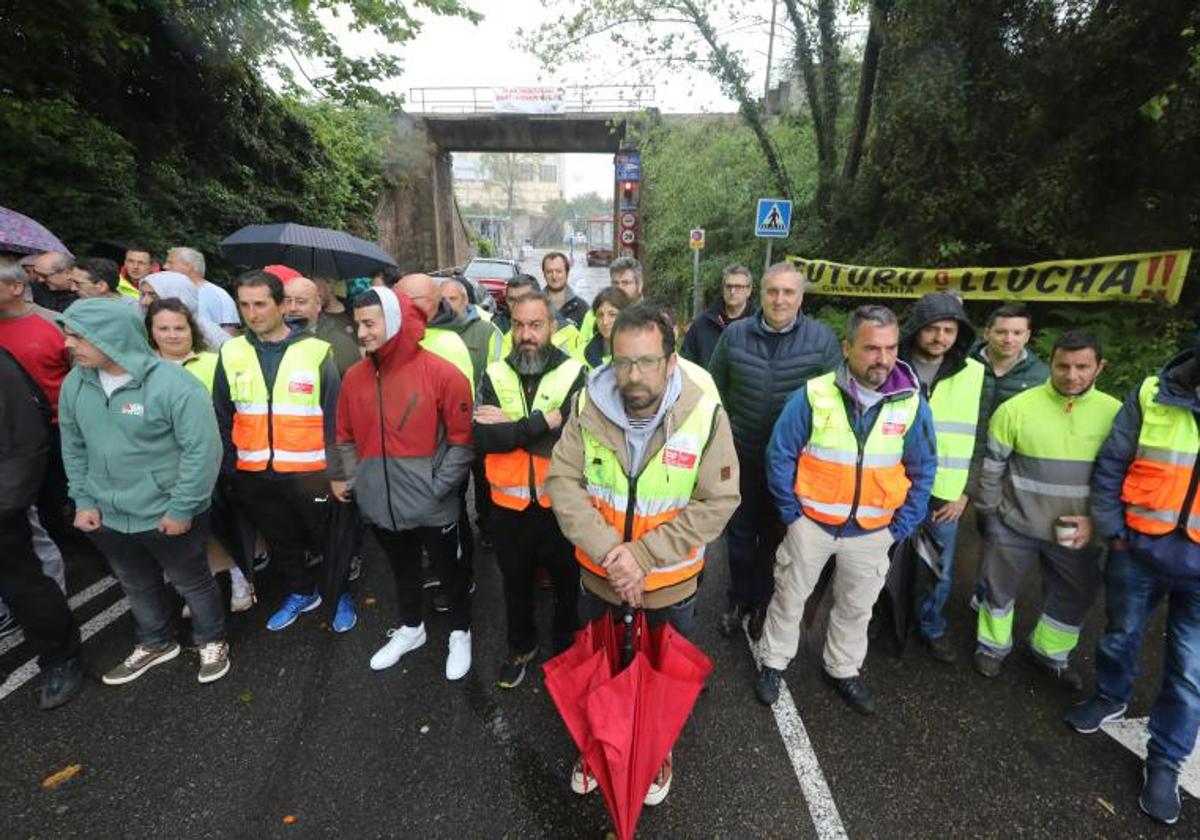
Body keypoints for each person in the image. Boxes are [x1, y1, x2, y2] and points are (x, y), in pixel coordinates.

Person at [546, 301, 740, 804]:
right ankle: (594, 743)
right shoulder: (585, 408)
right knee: (598, 670)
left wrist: (645, 556)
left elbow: (719, 500)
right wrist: (615, 553)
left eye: (647, 361)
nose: (634, 375)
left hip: (669, 586)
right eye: (623, 361)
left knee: (660, 681)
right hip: (598, 578)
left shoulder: (704, 414)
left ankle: (658, 750)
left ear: (671, 362)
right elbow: (562, 482)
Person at [755, 305, 935, 715]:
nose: (883, 359)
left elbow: (924, 469)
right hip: (811, 525)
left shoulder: (910, 404)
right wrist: (792, 515)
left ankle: (842, 669)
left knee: (857, 607)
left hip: (873, 532)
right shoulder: (814, 395)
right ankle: (773, 663)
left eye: (890, 348)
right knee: (789, 597)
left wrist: (899, 527)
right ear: (847, 347)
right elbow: (780, 455)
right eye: (872, 348)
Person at [1065, 332, 1200, 825]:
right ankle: (1109, 696)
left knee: (1189, 673)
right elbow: (1113, 463)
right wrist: (1115, 530)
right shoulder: (1151, 393)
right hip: (1138, 550)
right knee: (1120, 634)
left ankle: (1164, 762)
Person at [59, 298, 229, 685]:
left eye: (79, 337)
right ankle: (155, 641)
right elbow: (73, 444)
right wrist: (83, 499)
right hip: (108, 513)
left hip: (170, 510)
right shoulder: (76, 383)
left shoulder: (173, 384)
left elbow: (203, 450)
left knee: (192, 580)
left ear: (112, 336)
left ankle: (211, 638)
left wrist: (182, 508)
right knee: (134, 582)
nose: (69, 344)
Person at [331, 287, 475, 679]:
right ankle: (412, 628)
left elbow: (463, 442)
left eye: (369, 323)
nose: (361, 332)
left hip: (433, 504)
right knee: (403, 570)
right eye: (357, 323)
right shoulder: (355, 378)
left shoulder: (443, 374)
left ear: (393, 321)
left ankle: (461, 632)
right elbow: (344, 436)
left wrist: (435, 489)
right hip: (380, 503)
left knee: (451, 571)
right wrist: (362, 484)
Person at [972, 331, 1120, 687]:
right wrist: (989, 514)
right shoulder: (1017, 408)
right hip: (1016, 521)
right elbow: (992, 467)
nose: (1071, 375)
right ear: (1050, 363)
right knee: (998, 588)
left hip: (1074, 525)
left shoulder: (1115, 414)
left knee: (1075, 592)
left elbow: (1119, 475)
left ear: (1100, 367)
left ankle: (1049, 652)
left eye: (1082, 367)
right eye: (1063, 366)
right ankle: (991, 647)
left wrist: (1099, 523)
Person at [709, 263, 841, 640]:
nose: (780, 299)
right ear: (761, 294)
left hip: (793, 466)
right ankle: (737, 599)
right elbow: (713, 391)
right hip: (740, 456)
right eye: (773, 291)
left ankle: (763, 602)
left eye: (788, 292)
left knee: (775, 540)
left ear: (801, 297)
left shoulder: (821, 340)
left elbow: (835, 402)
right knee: (738, 535)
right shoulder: (734, 336)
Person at [212, 270, 346, 632]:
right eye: (244, 305)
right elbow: (222, 414)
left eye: (260, 304)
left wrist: (337, 473)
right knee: (282, 540)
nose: (252, 313)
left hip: (310, 472)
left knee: (326, 538)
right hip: (254, 472)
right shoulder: (231, 351)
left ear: (281, 305)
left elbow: (335, 419)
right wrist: (230, 468)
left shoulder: (316, 352)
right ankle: (302, 592)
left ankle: (339, 594)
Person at [474, 291, 587, 688]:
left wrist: (513, 427)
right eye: (519, 324)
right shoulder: (494, 373)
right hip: (508, 509)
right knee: (515, 585)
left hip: (562, 505)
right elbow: (483, 440)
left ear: (551, 327)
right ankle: (521, 647)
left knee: (567, 583)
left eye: (535, 325)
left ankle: (566, 647)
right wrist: (547, 421)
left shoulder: (575, 372)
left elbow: (578, 441)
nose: (526, 334)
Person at [146, 297, 254, 613]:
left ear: (192, 330)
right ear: (151, 331)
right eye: (163, 328)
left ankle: (239, 577)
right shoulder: (144, 369)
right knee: (185, 536)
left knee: (224, 525)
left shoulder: (212, 362)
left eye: (179, 327)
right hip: (165, 466)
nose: (172, 335)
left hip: (213, 462)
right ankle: (199, 587)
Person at [897, 292, 985, 663]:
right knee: (888, 563)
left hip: (946, 492)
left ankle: (930, 627)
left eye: (949, 330)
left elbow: (983, 435)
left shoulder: (975, 373)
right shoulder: (894, 366)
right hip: (896, 486)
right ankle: (886, 622)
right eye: (932, 329)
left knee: (940, 570)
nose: (940, 337)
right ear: (917, 329)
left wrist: (966, 492)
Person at [0, 346, 83, 709]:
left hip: (4, 511)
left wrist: (7, 503)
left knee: (27, 588)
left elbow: (26, 435)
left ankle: (60, 657)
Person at [0, 259, 73, 548]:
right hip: (11, 434)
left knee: (60, 494)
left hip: (58, 429)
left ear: (17, 287)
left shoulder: (53, 323)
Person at [972, 304, 1050, 468]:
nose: (1009, 339)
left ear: (1027, 336)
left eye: (1017, 333)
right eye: (1001, 332)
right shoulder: (963, 365)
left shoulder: (1042, 376)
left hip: (1012, 466)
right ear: (987, 333)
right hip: (963, 461)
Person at [277, 271, 361, 377]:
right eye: (288, 301)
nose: (293, 308)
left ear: (318, 305)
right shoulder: (271, 340)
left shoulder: (341, 345)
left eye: (301, 302)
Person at [681, 264, 756, 368]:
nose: (732, 292)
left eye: (738, 287)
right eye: (728, 286)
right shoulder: (702, 323)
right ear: (723, 288)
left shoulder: (759, 326)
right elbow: (686, 363)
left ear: (749, 290)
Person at [138, 270, 230, 349]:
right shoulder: (138, 327)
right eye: (143, 294)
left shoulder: (210, 334)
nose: (144, 302)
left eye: (153, 295)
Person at [165, 247, 239, 334]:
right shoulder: (168, 294)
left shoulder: (218, 296)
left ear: (188, 266)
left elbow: (228, 337)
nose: (165, 266)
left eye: (170, 263)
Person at [577, 256, 645, 347]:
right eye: (615, 283)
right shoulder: (593, 315)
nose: (620, 287)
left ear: (640, 285)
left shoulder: (651, 318)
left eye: (625, 283)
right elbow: (580, 350)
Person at [582, 287, 630, 369]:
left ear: (626, 316)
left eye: (612, 315)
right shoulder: (581, 353)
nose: (605, 322)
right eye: (600, 315)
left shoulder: (639, 353)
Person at [541, 251, 589, 328]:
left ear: (567, 273)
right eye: (549, 272)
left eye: (559, 271)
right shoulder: (534, 305)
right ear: (544, 274)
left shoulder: (582, 307)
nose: (554, 276)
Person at [70, 257, 141, 310]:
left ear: (102, 286)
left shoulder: (132, 309)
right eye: (72, 282)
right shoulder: (78, 305)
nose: (72, 288)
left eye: (77, 283)